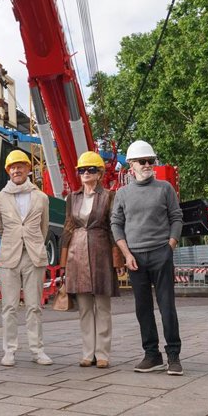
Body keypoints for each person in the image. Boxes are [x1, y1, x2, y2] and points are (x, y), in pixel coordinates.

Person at [111, 140, 184, 376]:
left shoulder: (165, 189)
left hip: (161, 254)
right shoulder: (122, 194)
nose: (147, 165)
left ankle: (173, 356)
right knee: (143, 309)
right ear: (131, 165)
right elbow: (116, 224)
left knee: (167, 307)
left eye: (150, 161)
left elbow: (176, 217)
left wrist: (170, 246)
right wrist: (126, 254)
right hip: (135, 258)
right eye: (142, 161)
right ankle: (152, 356)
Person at [59, 151, 123, 368]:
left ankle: (102, 353)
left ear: (100, 173)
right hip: (77, 254)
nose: (85, 173)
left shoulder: (109, 196)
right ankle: (88, 353)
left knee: (102, 305)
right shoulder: (72, 197)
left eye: (91, 169)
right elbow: (68, 227)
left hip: (101, 251)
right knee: (85, 306)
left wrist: (118, 259)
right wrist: (63, 260)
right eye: (82, 170)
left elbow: (114, 227)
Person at [0, 150, 53, 367]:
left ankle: (38, 350)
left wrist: (31, 242)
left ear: (29, 169)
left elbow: (44, 228)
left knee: (34, 306)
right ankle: (9, 350)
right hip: (9, 256)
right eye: (12, 167)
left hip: (33, 256)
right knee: (8, 306)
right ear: (8, 171)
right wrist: (15, 240)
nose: (17, 170)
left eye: (21, 166)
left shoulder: (41, 197)